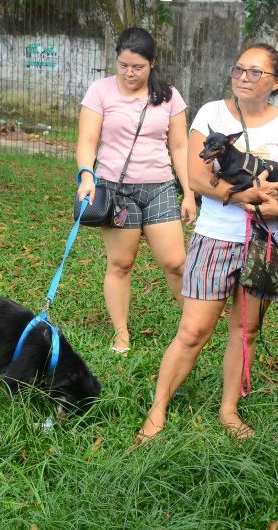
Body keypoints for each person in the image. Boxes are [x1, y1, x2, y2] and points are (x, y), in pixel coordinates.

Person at [137, 43, 278, 442]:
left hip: (265, 244)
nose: (243, 77)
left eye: (255, 72)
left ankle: (229, 409)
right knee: (193, 330)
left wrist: (275, 211)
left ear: (277, 82)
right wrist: (240, 197)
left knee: (246, 330)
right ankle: (157, 410)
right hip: (215, 239)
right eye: (239, 69)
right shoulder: (211, 113)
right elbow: (197, 176)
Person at [75, 27, 196, 354]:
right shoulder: (100, 91)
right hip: (115, 191)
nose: (129, 73)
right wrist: (87, 176)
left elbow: (180, 146)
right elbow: (87, 141)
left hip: (159, 188)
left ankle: (194, 324)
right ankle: (121, 334)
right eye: (123, 65)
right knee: (121, 263)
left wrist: (188, 192)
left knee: (175, 263)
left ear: (152, 64)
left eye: (138, 67)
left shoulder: (169, 96)